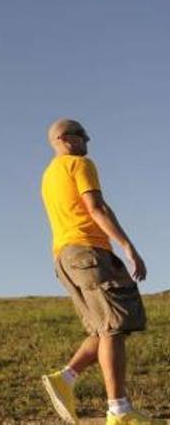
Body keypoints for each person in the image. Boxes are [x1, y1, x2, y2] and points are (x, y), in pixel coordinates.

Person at [40, 119, 160, 425]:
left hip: (64, 258)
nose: (88, 143)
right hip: (89, 252)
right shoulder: (78, 164)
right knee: (114, 328)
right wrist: (127, 246)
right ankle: (119, 411)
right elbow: (96, 208)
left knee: (102, 328)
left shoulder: (48, 176)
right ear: (66, 139)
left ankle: (65, 378)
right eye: (84, 136)